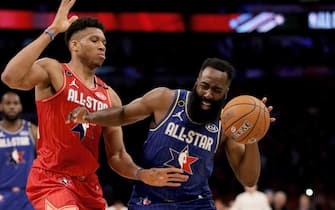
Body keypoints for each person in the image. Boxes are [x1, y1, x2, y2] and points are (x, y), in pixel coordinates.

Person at [1, 0, 188, 209]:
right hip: (52, 178)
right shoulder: (54, 70)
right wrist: (53, 30)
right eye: (94, 40)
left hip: (88, 185)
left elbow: (116, 155)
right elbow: (10, 77)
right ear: (75, 45)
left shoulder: (110, 96)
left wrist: (141, 173)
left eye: (104, 42)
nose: (102, 46)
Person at [67, 56, 276, 209]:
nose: (208, 94)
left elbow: (248, 179)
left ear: (225, 93)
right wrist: (89, 116)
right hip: (149, 200)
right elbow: (122, 114)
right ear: (197, 82)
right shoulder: (166, 99)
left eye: (216, 90)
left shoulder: (226, 123)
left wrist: (253, 133)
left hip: (196, 203)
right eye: (204, 86)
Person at [0, 91, 37, 210]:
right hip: (2, 194)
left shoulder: (32, 130)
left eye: (15, 103)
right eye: (8, 103)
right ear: (1, 106)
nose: (12, 106)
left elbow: (47, 159)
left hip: (28, 194)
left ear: (20, 106)